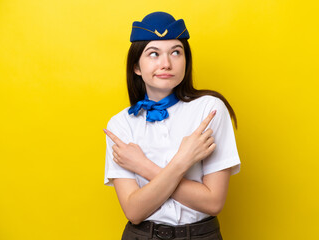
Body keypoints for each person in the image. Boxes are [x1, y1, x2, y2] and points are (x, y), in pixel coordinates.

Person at [103, 11, 241, 240]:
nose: (166, 64)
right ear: (136, 66)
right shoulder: (121, 124)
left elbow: (213, 201)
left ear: (186, 60)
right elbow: (134, 211)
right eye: (153, 54)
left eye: (176, 52)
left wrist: (142, 165)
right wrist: (184, 160)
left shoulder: (210, 110)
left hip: (200, 235)